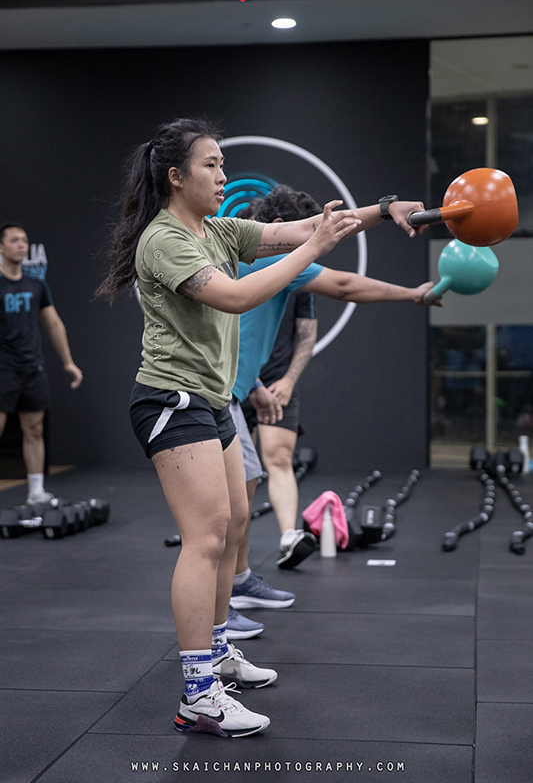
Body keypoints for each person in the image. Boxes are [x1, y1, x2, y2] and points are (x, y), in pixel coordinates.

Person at [96, 117, 427, 738]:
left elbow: (303, 228)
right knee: (205, 538)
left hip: (212, 401)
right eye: (211, 165)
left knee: (234, 527)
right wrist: (313, 248)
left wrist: (385, 210)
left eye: (224, 164)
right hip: (171, 400)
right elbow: (236, 297)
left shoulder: (219, 230)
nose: (223, 176)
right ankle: (199, 692)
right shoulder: (164, 240)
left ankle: (218, 650)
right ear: (176, 176)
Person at [226, 185, 440, 637]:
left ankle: (238, 582)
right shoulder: (268, 257)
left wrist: (256, 386)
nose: (314, 242)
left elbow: (238, 334)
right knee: (223, 512)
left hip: (233, 390)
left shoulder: (261, 262)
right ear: (281, 229)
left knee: (246, 484)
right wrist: (412, 293)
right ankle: (216, 610)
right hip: (213, 396)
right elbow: (345, 285)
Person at [0, 222, 83, 508]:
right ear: (1, 247)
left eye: (24, 240)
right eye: (14, 240)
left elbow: (53, 324)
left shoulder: (36, 284)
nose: (21, 244)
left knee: (34, 430)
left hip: (32, 368)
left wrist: (68, 363)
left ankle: (36, 492)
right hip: (3, 369)